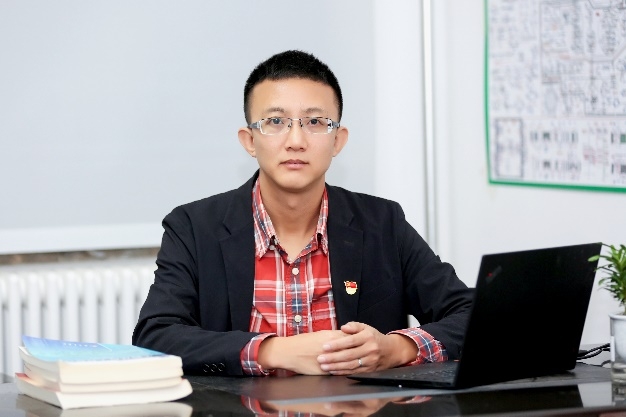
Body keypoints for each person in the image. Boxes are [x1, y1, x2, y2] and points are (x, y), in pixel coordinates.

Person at [132, 50, 473, 377]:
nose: (296, 140)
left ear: (337, 141)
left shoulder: (382, 223)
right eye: (275, 121)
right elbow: (156, 335)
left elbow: (471, 313)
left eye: (314, 122)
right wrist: (273, 351)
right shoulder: (194, 228)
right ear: (249, 141)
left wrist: (397, 348)